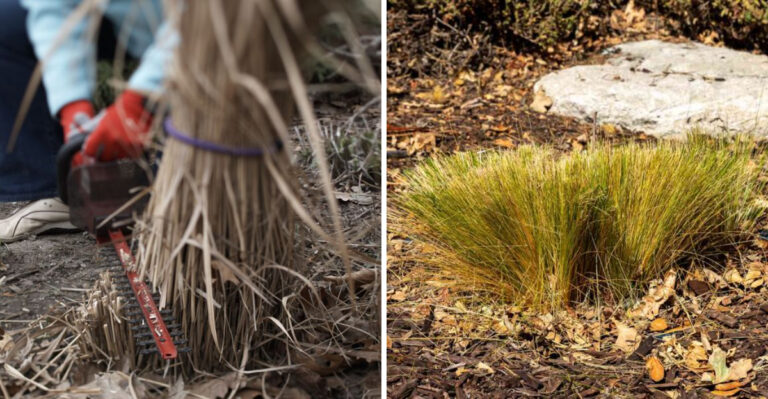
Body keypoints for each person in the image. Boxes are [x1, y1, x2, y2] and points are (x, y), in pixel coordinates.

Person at [0, 0, 172, 242]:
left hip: (212, 42)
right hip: (130, 16)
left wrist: (141, 100)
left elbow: (201, 26)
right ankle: (60, 192)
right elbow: (53, 9)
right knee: (6, 22)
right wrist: (72, 108)